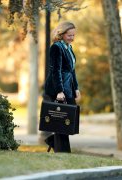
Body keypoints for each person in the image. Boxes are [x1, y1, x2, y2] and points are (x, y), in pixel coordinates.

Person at [43, 21, 81, 153]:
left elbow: (72, 70)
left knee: (67, 120)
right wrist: (59, 91)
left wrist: (76, 88)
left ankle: (53, 141)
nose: (72, 38)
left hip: (68, 88)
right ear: (62, 34)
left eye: (73, 35)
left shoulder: (68, 47)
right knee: (60, 121)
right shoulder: (56, 48)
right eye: (70, 35)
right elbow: (55, 71)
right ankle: (63, 151)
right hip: (57, 89)